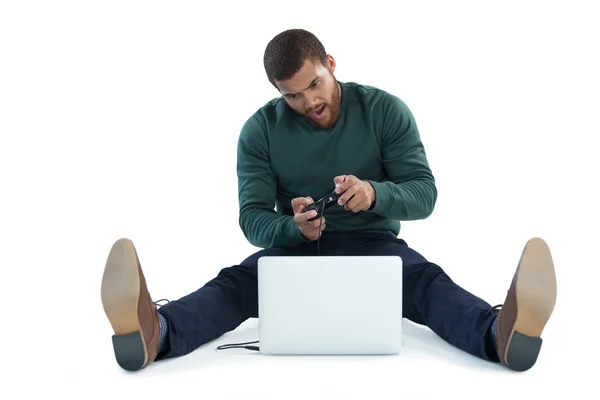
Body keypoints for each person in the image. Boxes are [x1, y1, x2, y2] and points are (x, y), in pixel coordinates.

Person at [100, 28, 557, 373]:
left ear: (331, 63)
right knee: (235, 286)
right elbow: (253, 218)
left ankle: (500, 336)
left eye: (314, 84)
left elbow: (424, 196)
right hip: (295, 250)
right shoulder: (259, 130)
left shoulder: (383, 110)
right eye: (292, 96)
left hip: (376, 248)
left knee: (426, 284)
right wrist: (290, 227)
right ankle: (154, 333)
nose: (309, 102)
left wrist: (375, 193)